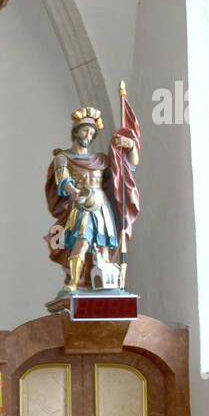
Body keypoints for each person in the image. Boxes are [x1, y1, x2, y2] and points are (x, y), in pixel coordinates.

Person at [46, 107, 139, 291]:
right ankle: (74, 281)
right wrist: (75, 193)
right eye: (84, 130)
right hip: (81, 205)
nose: (88, 135)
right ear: (75, 132)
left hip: (101, 205)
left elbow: (126, 170)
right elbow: (63, 180)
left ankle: (104, 285)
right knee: (82, 242)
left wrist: (131, 146)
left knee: (103, 246)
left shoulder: (100, 159)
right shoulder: (63, 157)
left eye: (91, 132)